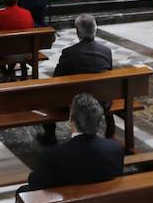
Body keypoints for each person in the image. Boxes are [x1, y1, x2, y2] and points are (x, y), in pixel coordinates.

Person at [4, 93, 123, 203]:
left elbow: (35, 186)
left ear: (71, 121)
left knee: (24, 192)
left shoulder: (54, 155)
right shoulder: (114, 149)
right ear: (99, 121)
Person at [39, 15, 113, 145]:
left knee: (47, 94)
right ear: (95, 30)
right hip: (102, 101)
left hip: (75, 104)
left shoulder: (69, 53)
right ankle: (110, 130)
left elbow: (56, 79)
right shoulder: (106, 51)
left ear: (77, 32)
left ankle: (49, 134)